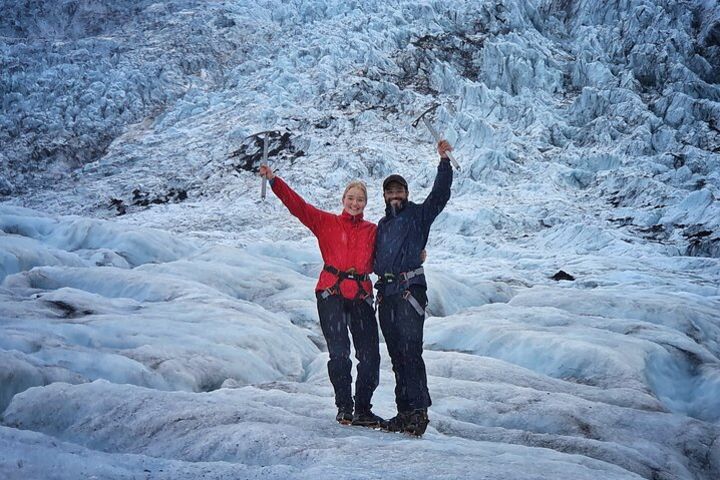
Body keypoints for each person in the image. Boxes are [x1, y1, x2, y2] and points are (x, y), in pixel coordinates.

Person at [259, 165, 384, 427]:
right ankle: (344, 408)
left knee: (370, 356)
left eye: (360, 199)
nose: (354, 203)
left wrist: (418, 254)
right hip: (332, 293)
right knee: (339, 353)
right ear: (343, 200)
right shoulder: (326, 222)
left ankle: (363, 409)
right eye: (351, 198)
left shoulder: (373, 231)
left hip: (361, 295)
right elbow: (299, 207)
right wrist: (274, 181)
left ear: (365, 204)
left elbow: (396, 245)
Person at [374, 139, 454, 436]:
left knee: (411, 353)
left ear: (406, 193)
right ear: (384, 195)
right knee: (397, 356)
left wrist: (444, 163)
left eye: (399, 190)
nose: (395, 195)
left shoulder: (419, 215)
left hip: (409, 294)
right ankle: (403, 412)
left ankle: (419, 413)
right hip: (387, 296)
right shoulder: (381, 226)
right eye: (390, 191)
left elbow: (440, 195)